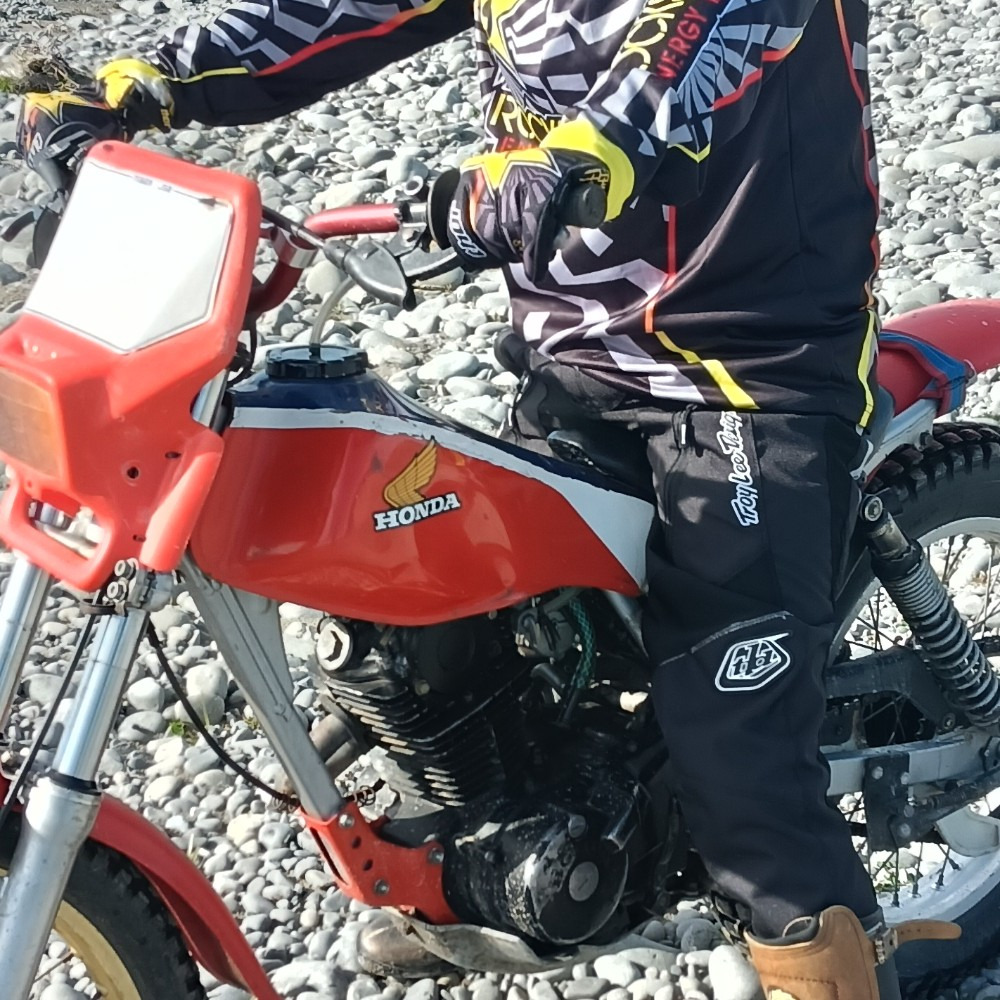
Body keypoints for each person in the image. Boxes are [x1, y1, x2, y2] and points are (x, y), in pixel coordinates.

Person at [15, 0, 960, 995]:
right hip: (577, 359)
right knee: (438, 622)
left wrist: (579, 154)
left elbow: (688, 46)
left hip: (753, 372)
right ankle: (483, 875)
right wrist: (147, 80)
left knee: (743, 769)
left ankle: (821, 940)